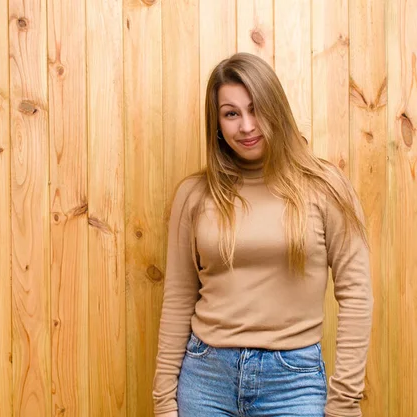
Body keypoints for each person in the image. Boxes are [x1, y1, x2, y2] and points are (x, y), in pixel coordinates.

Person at [153, 53, 373, 417]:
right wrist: (163, 403)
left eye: (256, 108)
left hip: (293, 382)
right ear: (218, 124)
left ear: (276, 108)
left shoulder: (325, 187)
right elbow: (178, 298)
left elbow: (356, 294)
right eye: (231, 113)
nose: (247, 126)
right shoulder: (194, 195)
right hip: (205, 379)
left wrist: (345, 402)